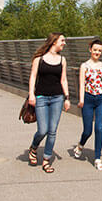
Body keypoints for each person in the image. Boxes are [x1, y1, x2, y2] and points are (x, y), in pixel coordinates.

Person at [27, 33, 70, 173]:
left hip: (57, 98)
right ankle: (34, 147)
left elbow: (63, 80)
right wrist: (31, 95)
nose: (64, 43)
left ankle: (46, 159)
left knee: (52, 131)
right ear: (54, 42)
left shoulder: (62, 60)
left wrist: (67, 98)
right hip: (41, 97)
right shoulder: (39, 59)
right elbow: (33, 77)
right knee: (43, 130)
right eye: (62, 41)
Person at [73, 39, 102, 170]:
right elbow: (81, 84)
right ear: (90, 49)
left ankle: (97, 158)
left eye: (100, 50)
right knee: (87, 130)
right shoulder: (84, 66)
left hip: (101, 99)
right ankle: (81, 144)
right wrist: (81, 99)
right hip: (88, 99)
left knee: (99, 128)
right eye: (95, 49)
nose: (97, 52)